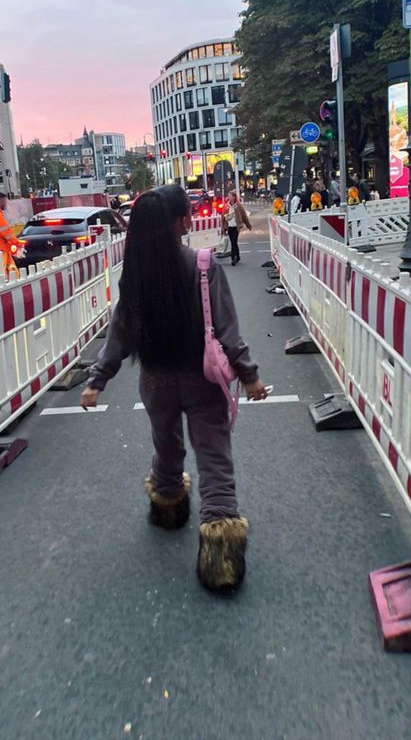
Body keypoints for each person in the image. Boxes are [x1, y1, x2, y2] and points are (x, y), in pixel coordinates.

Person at [80, 185, 267, 592]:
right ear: (182, 222)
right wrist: (249, 376)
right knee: (214, 459)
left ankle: (168, 506)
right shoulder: (202, 265)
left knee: (167, 448)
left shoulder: (137, 272)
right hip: (202, 381)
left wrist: (97, 381)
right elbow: (227, 330)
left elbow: (119, 334)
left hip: (156, 382)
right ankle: (220, 559)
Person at [0, 192, 21, 277]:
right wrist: (17, 243)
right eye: (6, 201)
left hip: (0, 247)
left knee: (10, 269)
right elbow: (6, 233)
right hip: (0, 247)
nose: (6, 204)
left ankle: (14, 281)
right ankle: (7, 284)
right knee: (2, 271)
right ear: (1, 200)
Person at [223, 190, 252, 266]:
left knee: (233, 242)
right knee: (234, 242)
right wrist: (223, 229)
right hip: (229, 227)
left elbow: (244, 216)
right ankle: (238, 255)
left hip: (236, 227)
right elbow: (223, 218)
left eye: (230, 196)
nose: (229, 197)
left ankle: (233, 258)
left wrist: (248, 225)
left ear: (234, 197)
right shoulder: (226, 206)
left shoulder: (238, 206)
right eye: (228, 196)